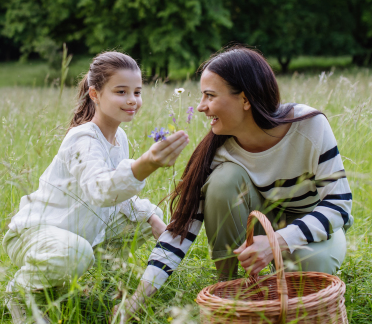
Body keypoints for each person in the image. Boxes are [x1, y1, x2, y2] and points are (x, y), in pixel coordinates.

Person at [114, 46, 353, 322]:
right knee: (224, 181)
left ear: (245, 99)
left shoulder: (308, 126)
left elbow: (339, 204)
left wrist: (277, 241)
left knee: (308, 272)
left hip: (310, 224)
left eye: (210, 96)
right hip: (261, 223)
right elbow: (179, 232)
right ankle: (228, 287)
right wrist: (136, 300)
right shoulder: (219, 149)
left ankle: (286, 277)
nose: (201, 106)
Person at [3, 51, 189, 323]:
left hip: (73, 233)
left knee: (145, 220)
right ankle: (19, 292)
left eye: (137, 92)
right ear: (95, 94)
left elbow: (119, 197)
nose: (132, 100)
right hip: (34, 235)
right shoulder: (82, 138)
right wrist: (145, 164)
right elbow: (100, 190)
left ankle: (99, 280)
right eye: (121, 91)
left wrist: (151, 216)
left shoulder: (119, 137)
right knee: (76, 252)